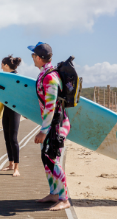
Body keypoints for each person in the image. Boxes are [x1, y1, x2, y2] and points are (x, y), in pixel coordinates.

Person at [29, 42, 71, 212]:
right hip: (50, 124)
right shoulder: (44, 73)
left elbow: (50, 107)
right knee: (46, 160)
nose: (32, 58)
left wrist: (43, 131)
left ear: (38, 57)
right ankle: (54, 193)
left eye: (33, 55)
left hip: (56, 124)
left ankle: (64, 198)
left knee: (53, 160)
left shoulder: (50, 77)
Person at [0, 55, 23, 176]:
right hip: (6, 110)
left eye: (2, 64)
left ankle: (16, 168)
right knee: (7, 138)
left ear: (6, 65)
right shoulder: (5, 78)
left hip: (14, 111)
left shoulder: (17, 78)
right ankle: (10, 163)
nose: (1, 66)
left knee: (13, 139)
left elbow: (22, 95)